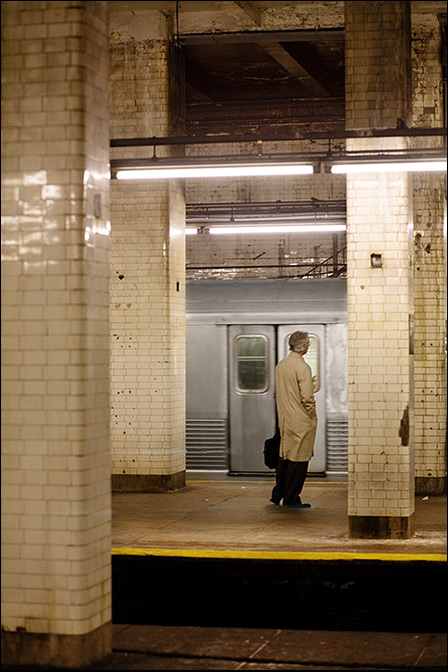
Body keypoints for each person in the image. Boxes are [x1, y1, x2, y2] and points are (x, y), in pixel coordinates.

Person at [270, 330, 317, 509]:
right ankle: (291, 499)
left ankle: (277, 495)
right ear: (303, 346)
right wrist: (311, 415)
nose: (309, 346)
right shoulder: (303, 367)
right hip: (300, 421)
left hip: (285, 419)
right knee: (299, 461)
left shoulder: (281, 365)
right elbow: (307, 398)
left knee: (285, 458)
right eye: (308, 343)